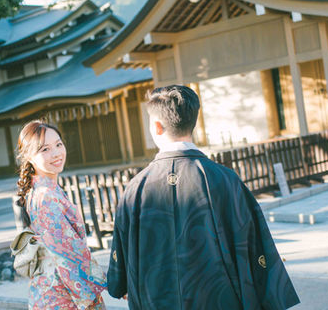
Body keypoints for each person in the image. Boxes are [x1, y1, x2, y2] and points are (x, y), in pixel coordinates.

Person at [107, 85, 300, 309]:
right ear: (193, 123)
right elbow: (253, 241)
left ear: (157, 127)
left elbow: (121, 256)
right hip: (219, 298)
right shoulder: (225, 179)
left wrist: (121, 283)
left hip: (156, 300)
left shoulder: (136, 188)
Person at [16, 120, 107, 310]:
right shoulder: (46, 196)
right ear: (29, 157)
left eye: (58, 144)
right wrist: (110, 285)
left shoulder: (42, 190)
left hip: (50, 292)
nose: (56, 153)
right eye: (45, 149)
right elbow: (70, 256)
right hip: (63, 297)